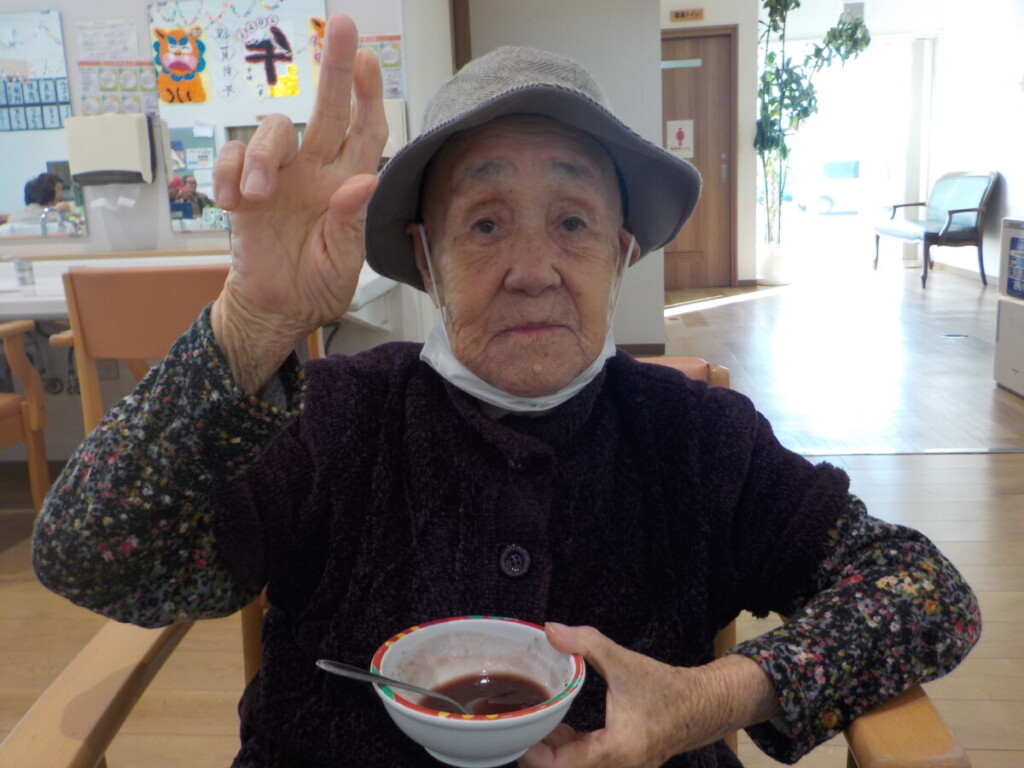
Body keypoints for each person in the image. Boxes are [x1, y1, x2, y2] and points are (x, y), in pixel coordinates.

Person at [32, 14, 980, 768]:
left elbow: (927, 592)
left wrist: (712, 697)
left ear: (621, 255)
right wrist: (251, 324)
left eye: (572, 222)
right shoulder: (331, 422)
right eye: (484, 224)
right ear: (425, 260)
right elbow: (91, 557)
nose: (532, 270)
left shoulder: (698, 439)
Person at [6, 172, 72, 225]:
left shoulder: (13, 218)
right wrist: (68, 213)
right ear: (47, 193)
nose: (61, 195)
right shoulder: (55, 217)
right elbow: (74, 221)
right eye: (58, 190)